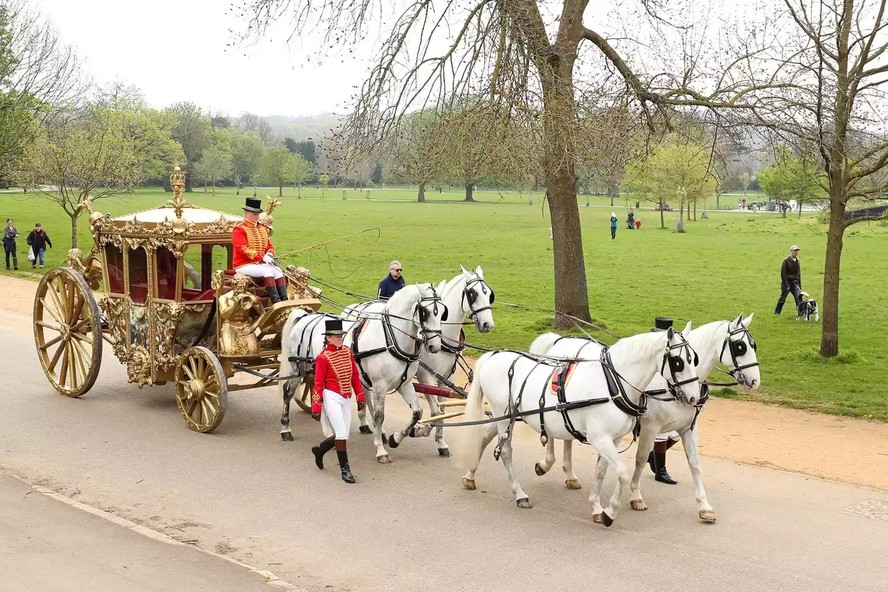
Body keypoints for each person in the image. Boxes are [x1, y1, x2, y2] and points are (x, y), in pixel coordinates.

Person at [311, 319, 365, 484]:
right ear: (328, 338)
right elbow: (318, 383)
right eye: (336, 336)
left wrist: (360, 396)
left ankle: (320, 449)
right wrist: (316, 406)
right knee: (341, 433)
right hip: (331, 396)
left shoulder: (348, 352)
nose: (340, 338)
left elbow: (354, 376)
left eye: (341, 335)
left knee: (344, 434)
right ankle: (345, 469)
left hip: (346, 397)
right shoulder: (322, 357)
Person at [231, 197, 288, 303]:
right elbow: (243, 249)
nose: (256, 216)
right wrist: (262, 257)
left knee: (278, 271)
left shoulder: (262, 229)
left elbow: (269, 246)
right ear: (246, 213)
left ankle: (284, 300)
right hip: (244, 265)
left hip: (259, 264)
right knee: (267, 270)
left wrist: (270, 254)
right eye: (254, 214)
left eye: (257, 214)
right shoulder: (239, 229)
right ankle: (276, 301)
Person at [648, 316, 680, 485]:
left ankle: (651, 455)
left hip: (666, 389)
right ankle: (660, 471)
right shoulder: (652, 348)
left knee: (676, 434)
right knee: (662, 433)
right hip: (652, 392)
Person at [774, 245, 803, 316]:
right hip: (787, 283)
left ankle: (800, 312)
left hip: (795, 283)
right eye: (794, 251)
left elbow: (798, 274)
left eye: (797, 251)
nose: (796, 252)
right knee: (783, 298)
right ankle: (777, 312)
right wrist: (786, 285)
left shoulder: (797, 261)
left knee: (798, 297)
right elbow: (783, 274)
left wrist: (799, 285)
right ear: (791, 251)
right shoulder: (786, 261)